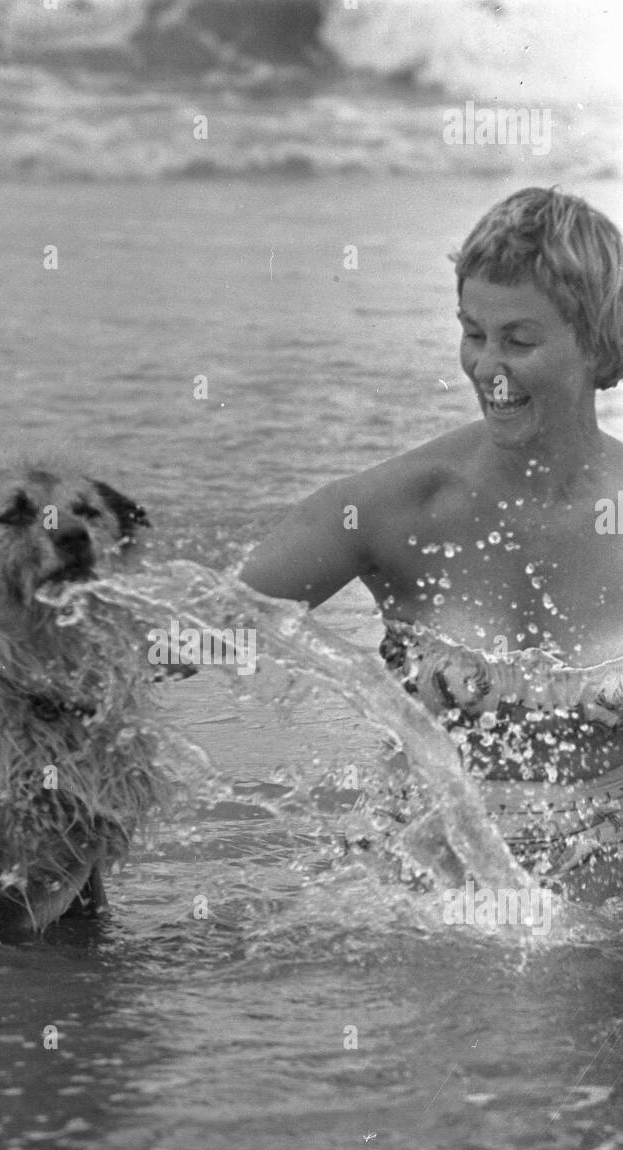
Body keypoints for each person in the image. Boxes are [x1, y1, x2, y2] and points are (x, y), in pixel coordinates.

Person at [240, 187, 623, 900]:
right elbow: (191, 631)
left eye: (519, 339)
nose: (487, 367)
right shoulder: (394, 510)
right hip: (423, 911)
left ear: (599, 345)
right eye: (473, 333)